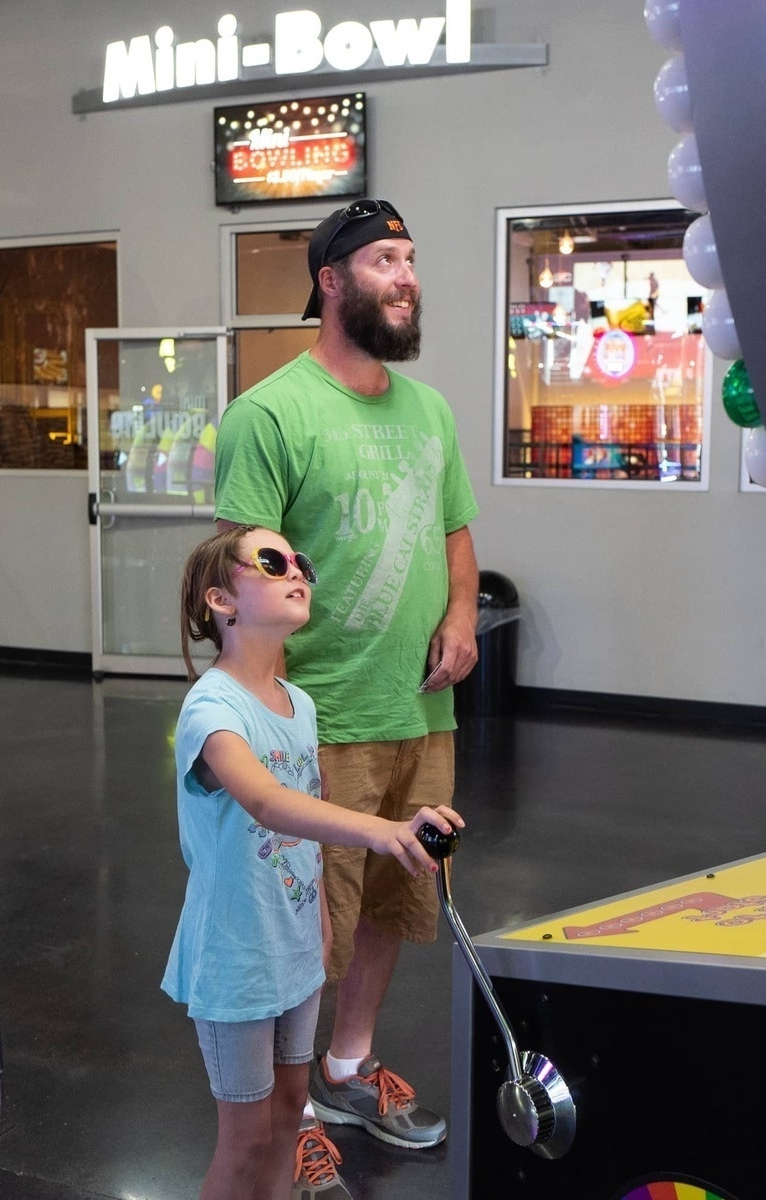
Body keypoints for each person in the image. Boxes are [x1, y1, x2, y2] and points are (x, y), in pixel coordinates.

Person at [214, 198, 481, 1187]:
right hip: (317, 720)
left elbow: (457, 533)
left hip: (421, 710)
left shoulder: (432, 412)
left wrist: (460, 615)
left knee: (391, 907)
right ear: (331, 283)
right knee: (300, 931)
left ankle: (347, 1067)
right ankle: (289, 1117)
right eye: (383, 260)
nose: (406, 275)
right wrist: (259, 719)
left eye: (411, 257)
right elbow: (246, 574)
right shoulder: (270, 414)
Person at [164, 523, 463, 1200]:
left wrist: (324, 924)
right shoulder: (211, 709)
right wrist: (384, 831)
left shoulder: (299, 704)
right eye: (272, 562)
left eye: (300, 560)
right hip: (236, 958)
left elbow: (309, 822)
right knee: (244, 1142)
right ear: (221, 599)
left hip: (296, 946)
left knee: (284, 1117)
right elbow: (269, 804)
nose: (297, 569)